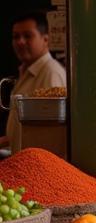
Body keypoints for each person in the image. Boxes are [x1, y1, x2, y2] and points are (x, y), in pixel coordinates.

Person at [0, 12, 66, 152]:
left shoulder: (51, 73)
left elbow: (52, 136)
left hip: (38, 166)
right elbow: (21, 131)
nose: (20, 42)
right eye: (15, 36)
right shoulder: (26, 72)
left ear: (46, 39)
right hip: (21, 163)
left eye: (27, 36)